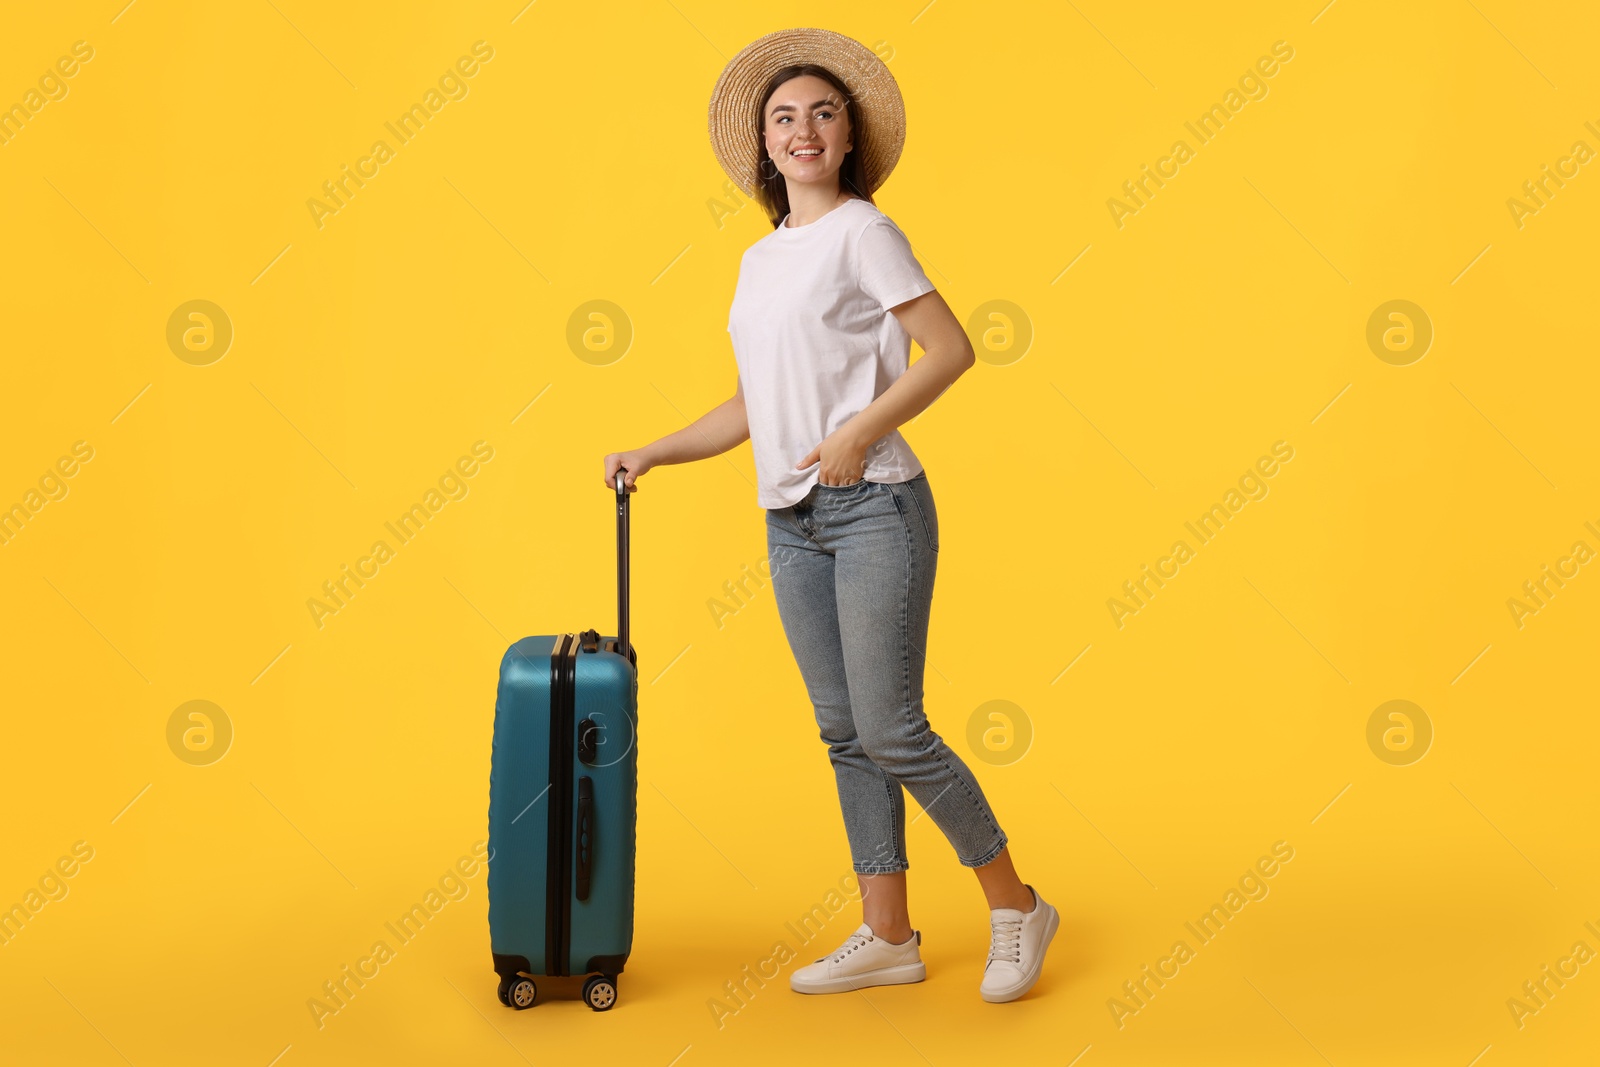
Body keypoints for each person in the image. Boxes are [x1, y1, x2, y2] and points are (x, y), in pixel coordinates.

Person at [602, 27, 1057, 1004]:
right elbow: (750, 405)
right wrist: (655, 450)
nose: (802, 130)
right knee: (844, 731)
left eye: (821, 113)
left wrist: (857, 433)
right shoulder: (760, 259)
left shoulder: (864, 231)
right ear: (763, 147)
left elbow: (949, 348)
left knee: (893, 729)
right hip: (789, 524)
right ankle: (887, 933)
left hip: (874, 508)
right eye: (783, 118)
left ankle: (1016, 903)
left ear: (847, 138)